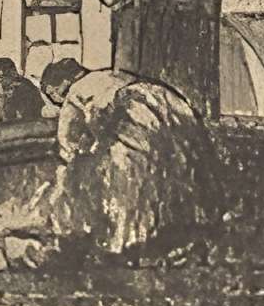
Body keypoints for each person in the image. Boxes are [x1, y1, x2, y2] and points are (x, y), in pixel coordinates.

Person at [35, 59, 222, 263]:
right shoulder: (113, 77)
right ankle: (186, 243)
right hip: (172, 109)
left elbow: (68, 141)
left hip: (134, 117)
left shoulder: (76, 93)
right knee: (177, 175)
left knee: (129, 186)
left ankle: (128, 250)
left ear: (59, 86)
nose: (54, 99)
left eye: (51, 93)